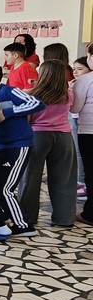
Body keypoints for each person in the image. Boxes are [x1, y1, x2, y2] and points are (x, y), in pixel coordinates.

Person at [0, 62, 44, 240]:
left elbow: (36, 103)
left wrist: (8, 112)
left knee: (4, 188)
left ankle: (24, 225)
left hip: (17, 146)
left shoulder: (8, 91)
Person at [18, 60, 76, 228]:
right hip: (64, 137)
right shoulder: (68, 94)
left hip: (37, 135)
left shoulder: (32, 94)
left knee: (29, 178)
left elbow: (27, 118)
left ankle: (26, 217)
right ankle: (64, 218)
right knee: (64, 179)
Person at [71, 44, 93, 226]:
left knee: (91, 172)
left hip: (89, 131)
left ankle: (90, 214)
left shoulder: (86, 80)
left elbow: (75, 108)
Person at [70, 56, 89, 197]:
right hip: (78, 119)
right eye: (74, 69)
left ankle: (82, 182)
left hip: (83, 122)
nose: (75, 72)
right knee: (78, 152)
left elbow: (75, 107)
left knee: (80, 152)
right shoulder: (76, 82)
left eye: (80, 69)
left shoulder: (84, 82)